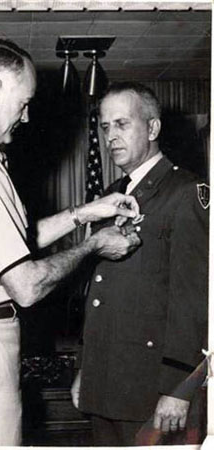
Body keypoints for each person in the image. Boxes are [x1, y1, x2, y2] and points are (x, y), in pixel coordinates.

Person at [0, 40, 141, 446]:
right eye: (23, 102)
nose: (27, 116)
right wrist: (93, 246)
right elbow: (26, 285)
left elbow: (8, 242)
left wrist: (83, 213)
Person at [71, 81, 209, 446]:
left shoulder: (184, 193)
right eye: (104, 126)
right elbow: (101, 293)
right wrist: (87, 367)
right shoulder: (110, 196)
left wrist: (180, 388)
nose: (110, 136)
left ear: (152, 128)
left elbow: (193, 301)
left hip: (152, 389)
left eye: (122, 124)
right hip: (106, 383)